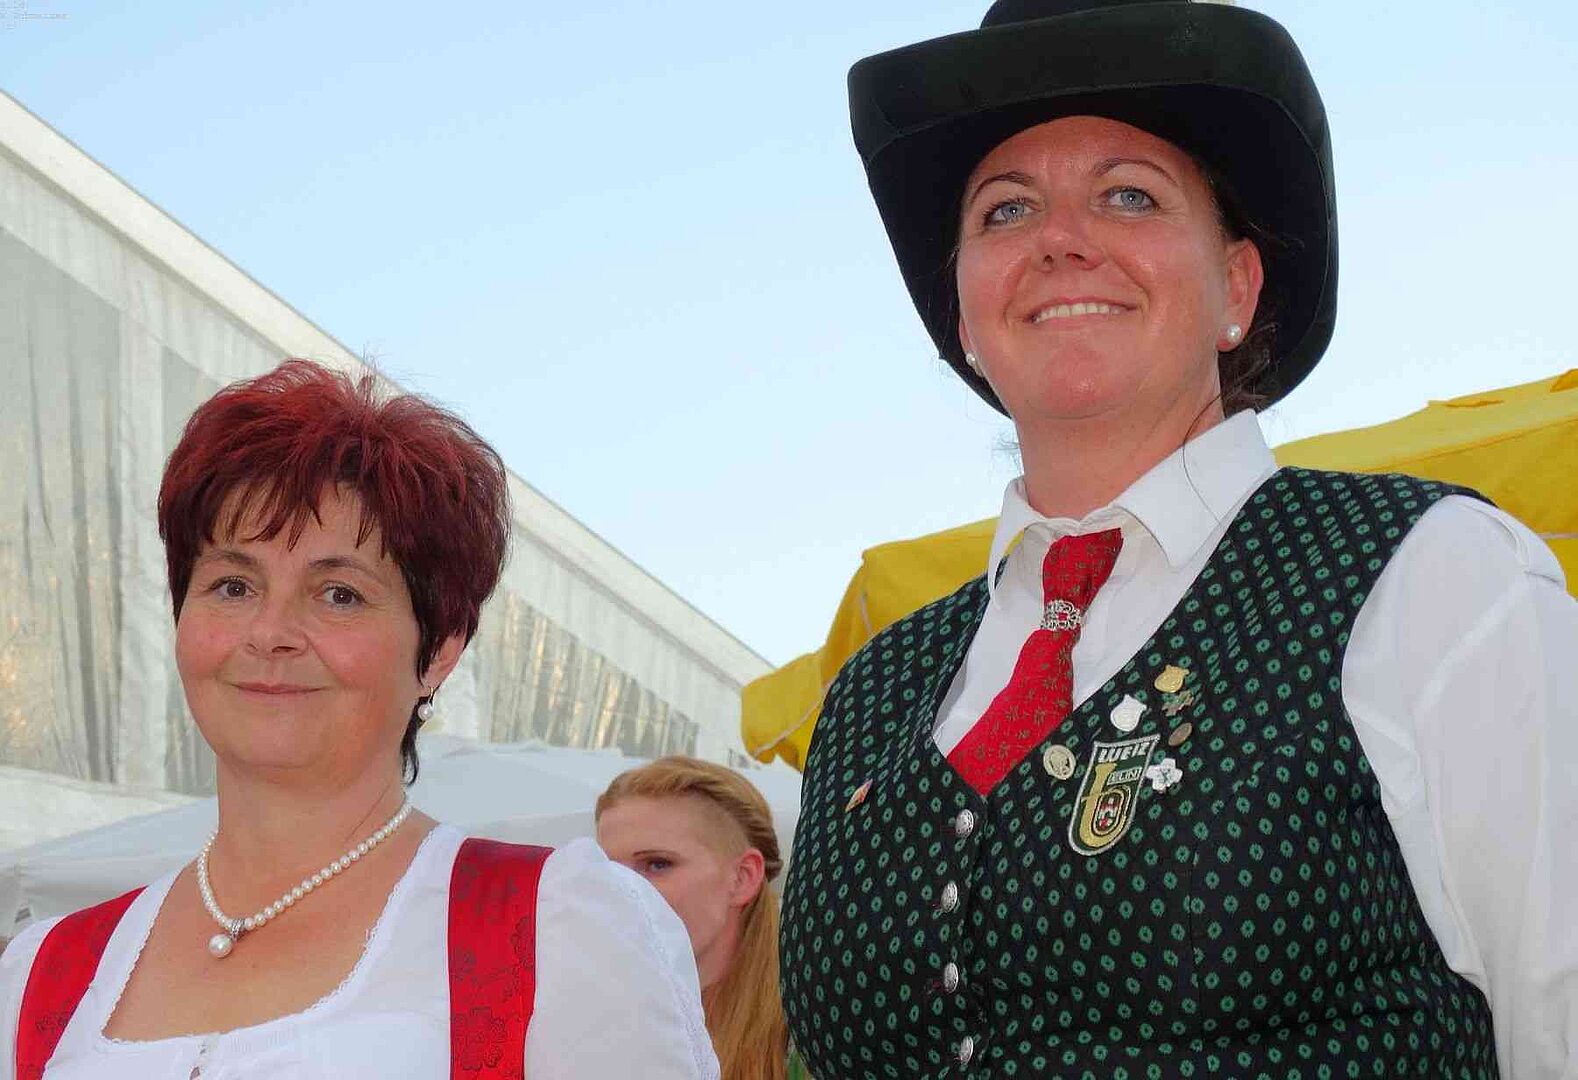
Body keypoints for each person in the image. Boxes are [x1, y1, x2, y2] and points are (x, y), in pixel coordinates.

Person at [779, 2, 1578, 1078]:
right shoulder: (867, 695)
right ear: (962, 319)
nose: (1061, 238)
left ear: (1236, 286)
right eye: (1006, 210)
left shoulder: (1432, 574)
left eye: (1129, 195)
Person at [0, 360, 718, 1080]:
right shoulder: (42, 975)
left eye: (338, 594)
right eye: (233, 585)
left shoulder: (557, 929)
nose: (270, 633)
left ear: (438, 651)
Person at [597, 758, 798, 1080]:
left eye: (657, 864)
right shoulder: (586, 1017)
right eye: (605, 870)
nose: (620, 888)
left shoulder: (816, 1033)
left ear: (742, 878)